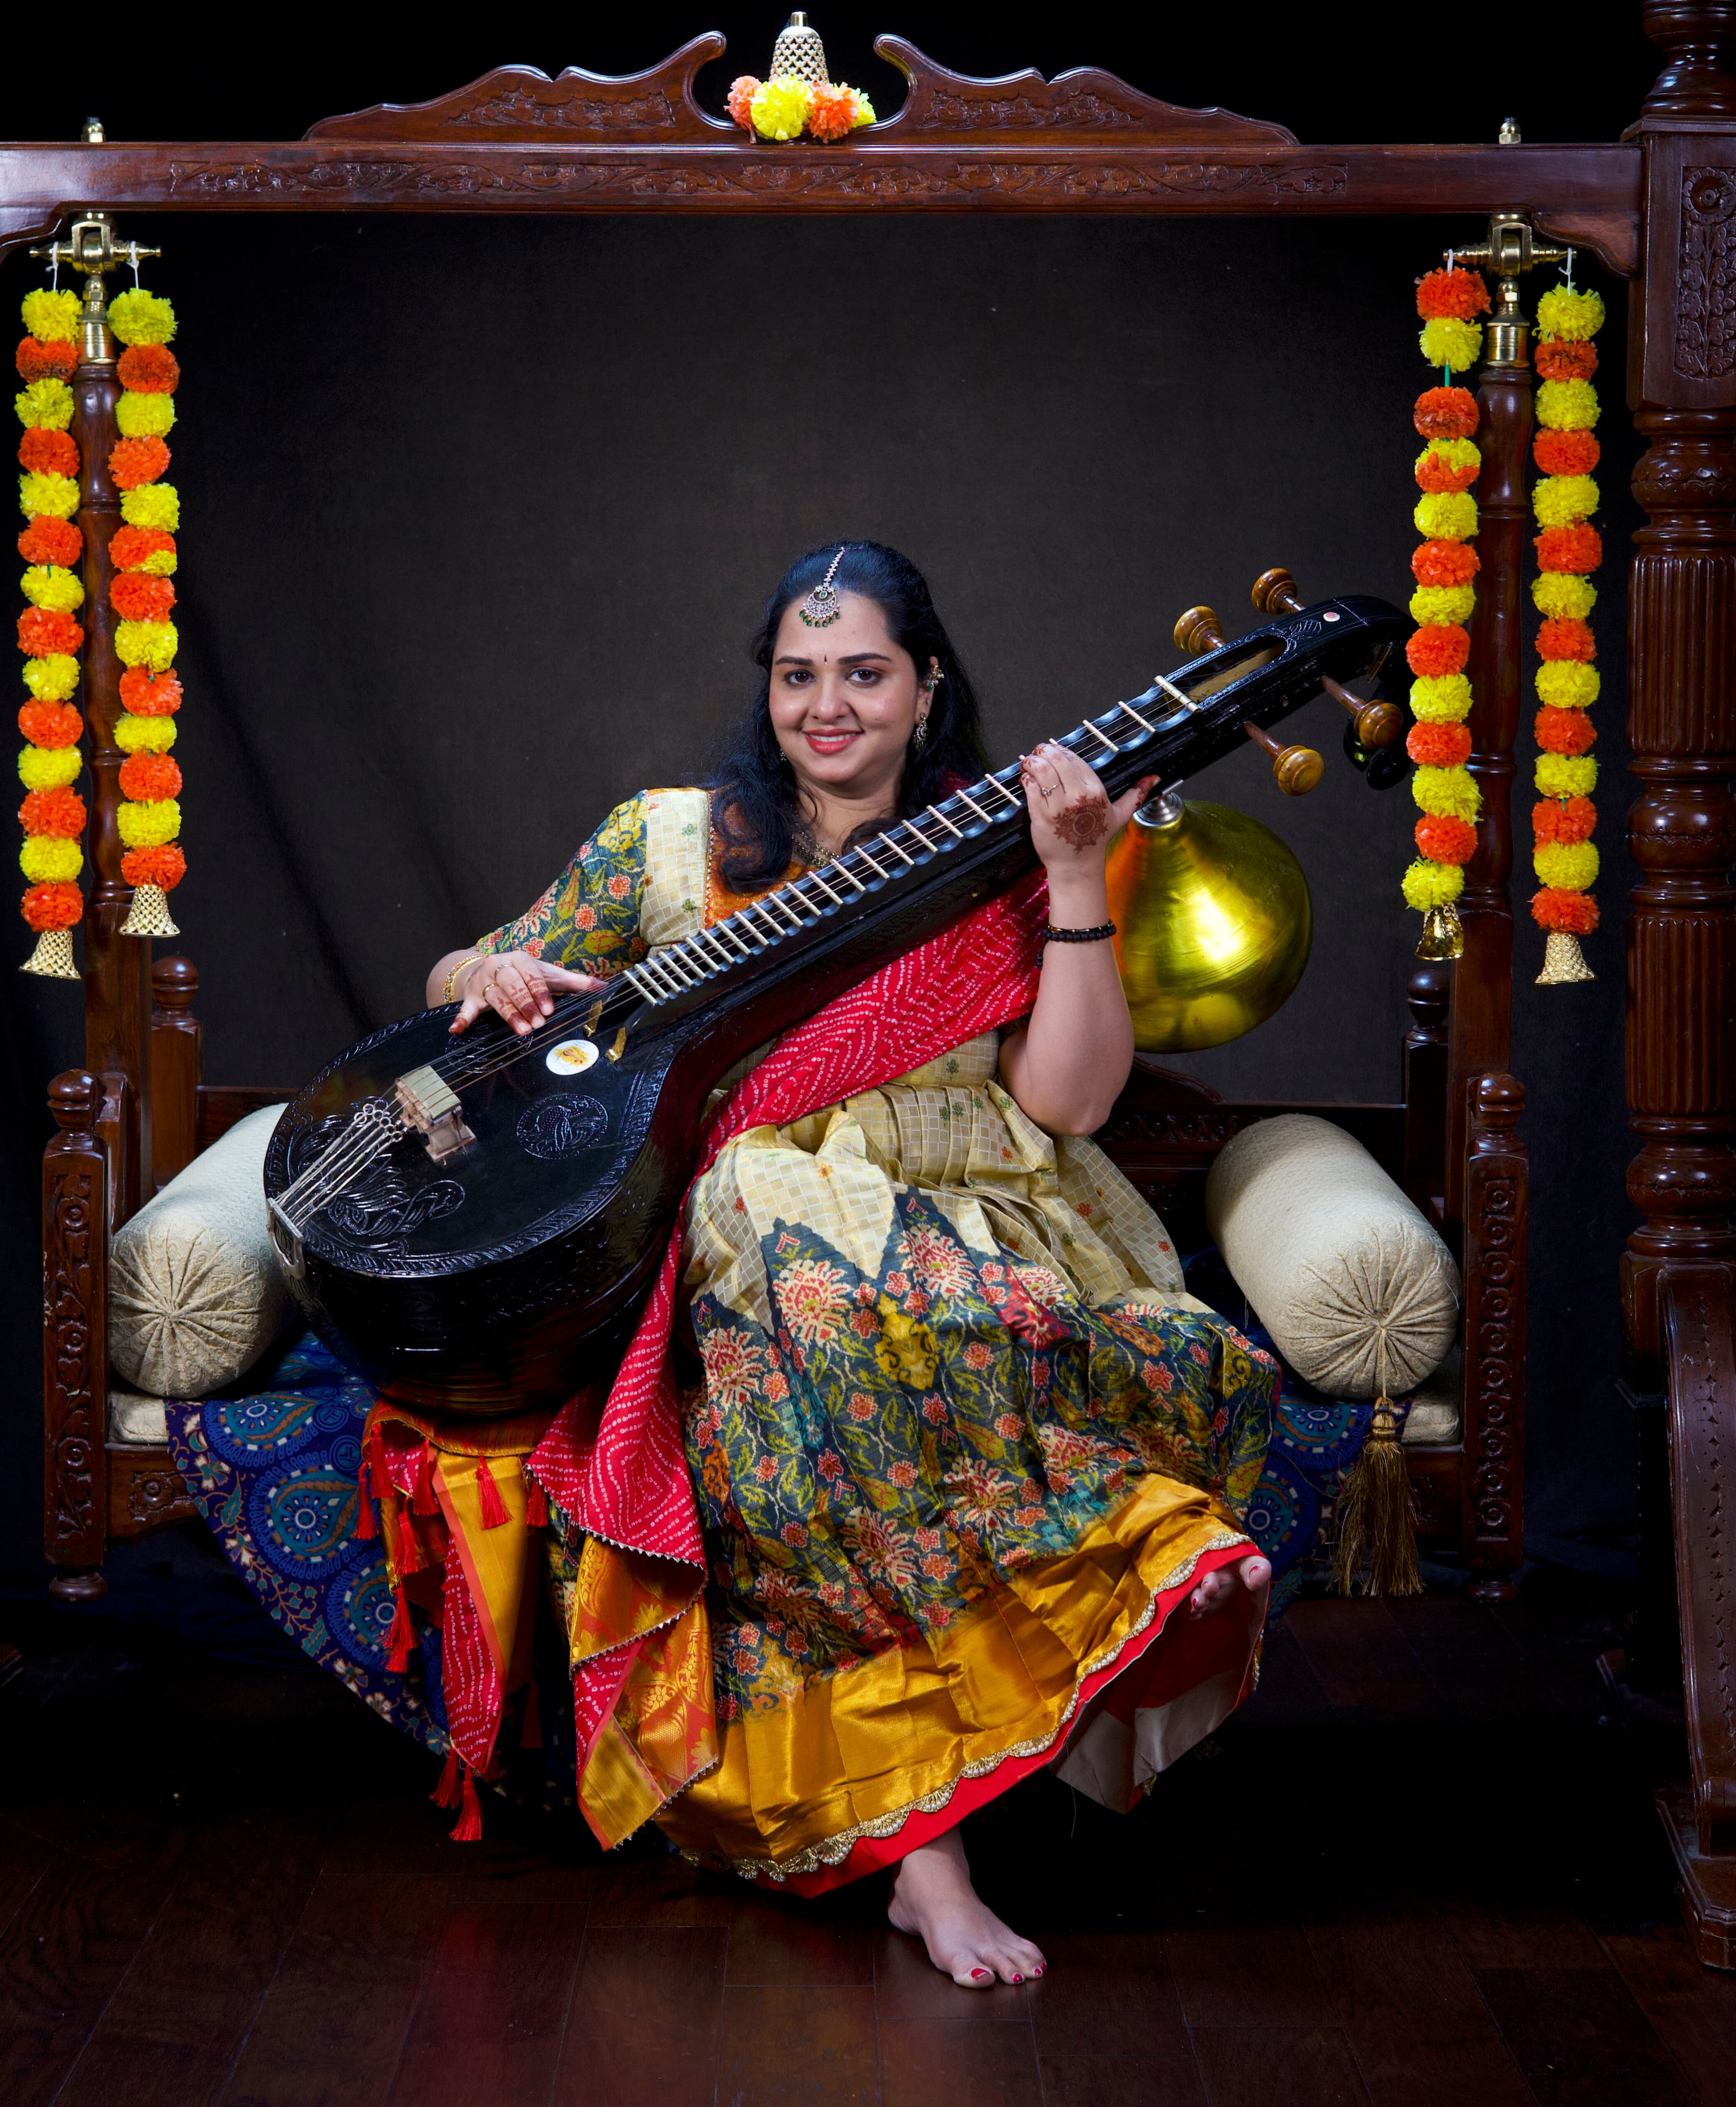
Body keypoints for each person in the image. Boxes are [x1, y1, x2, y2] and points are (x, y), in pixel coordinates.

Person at [424, 540, 1275, 1988]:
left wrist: (1076, 869)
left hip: (970, 1215)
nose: (827, 706)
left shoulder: (1003, 843)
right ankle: (934, 1850)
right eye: (798, 675)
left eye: (864, 674)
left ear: (928, 688)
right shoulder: (669, 846)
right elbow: (456, 977)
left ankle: (1082, 1607)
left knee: (820, 1343)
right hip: (749, 1246)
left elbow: (1068, 1103)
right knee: (777, 1248)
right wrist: (491, 980)